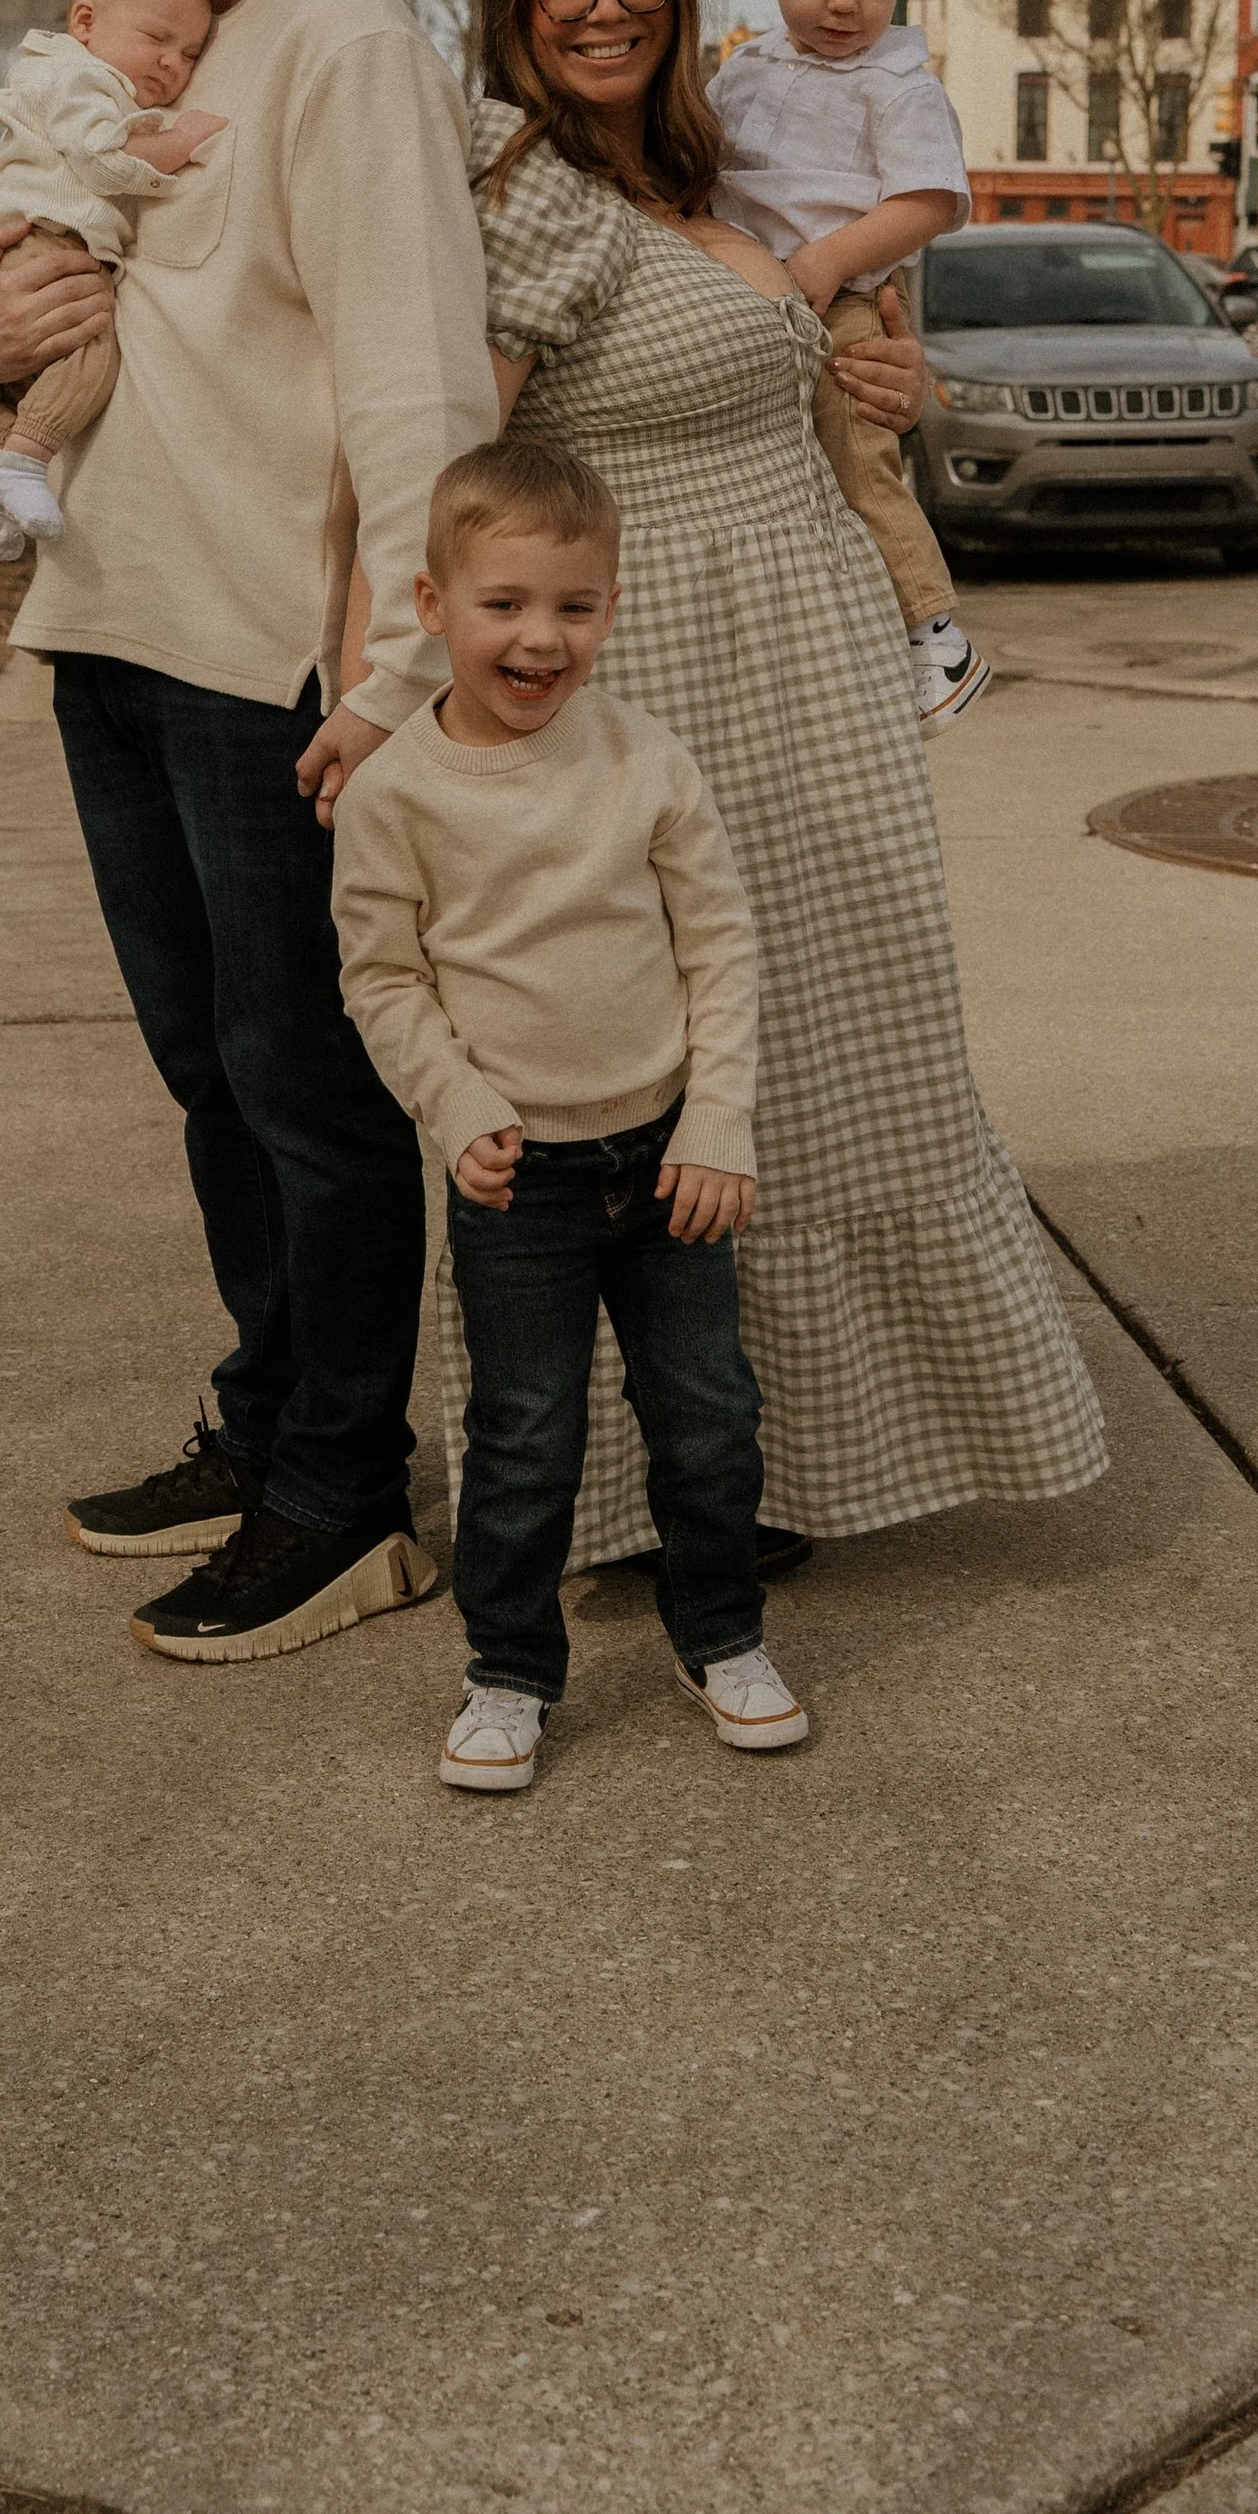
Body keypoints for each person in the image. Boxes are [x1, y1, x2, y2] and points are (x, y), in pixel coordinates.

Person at [0, 0, 500, 1667]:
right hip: (110, 625)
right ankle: (268, 1420)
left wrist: (401, 679)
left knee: (310, 1088)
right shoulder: (155, 35)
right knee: (209, 1077)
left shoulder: (342, 49)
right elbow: (7, 305)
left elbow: (420, 384)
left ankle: (349, 1497)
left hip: (271, 663)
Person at [449, 0, 1108, 1573]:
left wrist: (890, 373)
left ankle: (804, 1450)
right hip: (662, 671)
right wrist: (426, 686)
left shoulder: (721, 163)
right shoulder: (529, 188)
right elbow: (463, 468)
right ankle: (654, 1493)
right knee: (665, 1066)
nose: (602, 6)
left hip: (811, 673)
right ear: (515, 7)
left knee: (836, 1058)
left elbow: (818, 356)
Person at [333, 437, 806, 1793]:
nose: (541, 638)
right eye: (506, 605)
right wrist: (455, 1103)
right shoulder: (397, 794)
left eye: (576, 607)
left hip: (670, 1157)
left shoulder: (646, 759)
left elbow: (719, 944)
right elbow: (382, 976)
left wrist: (720, 1116)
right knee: (526, 1430)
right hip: (515, 1170)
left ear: (611, 605)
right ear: (433, 605)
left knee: (708, 1413)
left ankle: (720, 1634)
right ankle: (510, 1668)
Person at [712, 0, 990, 730]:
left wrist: (829, 260)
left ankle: (934, 636)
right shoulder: (745, 71)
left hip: (839, 305)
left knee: (859, 463)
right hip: (750, 296)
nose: (843, 4)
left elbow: (930, 202)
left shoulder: (897, 84)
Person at [0, 0, 224, 562]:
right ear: (86, 22)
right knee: (87, 350)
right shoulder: (79, 77)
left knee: (19, 374)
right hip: (52, 240)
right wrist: (177, 143)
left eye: (189, 53)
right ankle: (25, 463)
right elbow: (103, 158)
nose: (172, 65)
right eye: (157, 39)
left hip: (28, 243)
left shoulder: (68, 73)